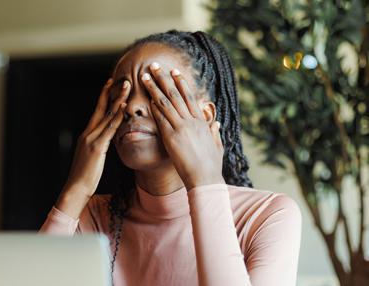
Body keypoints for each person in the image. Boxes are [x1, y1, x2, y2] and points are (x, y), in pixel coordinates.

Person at [39, 30, 302, 286]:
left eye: (156, 91)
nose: (132, 107)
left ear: (206, 116)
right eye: (122, 94)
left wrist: (205, 182)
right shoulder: (92, 217)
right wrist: (77, 188)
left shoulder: (266, 216)